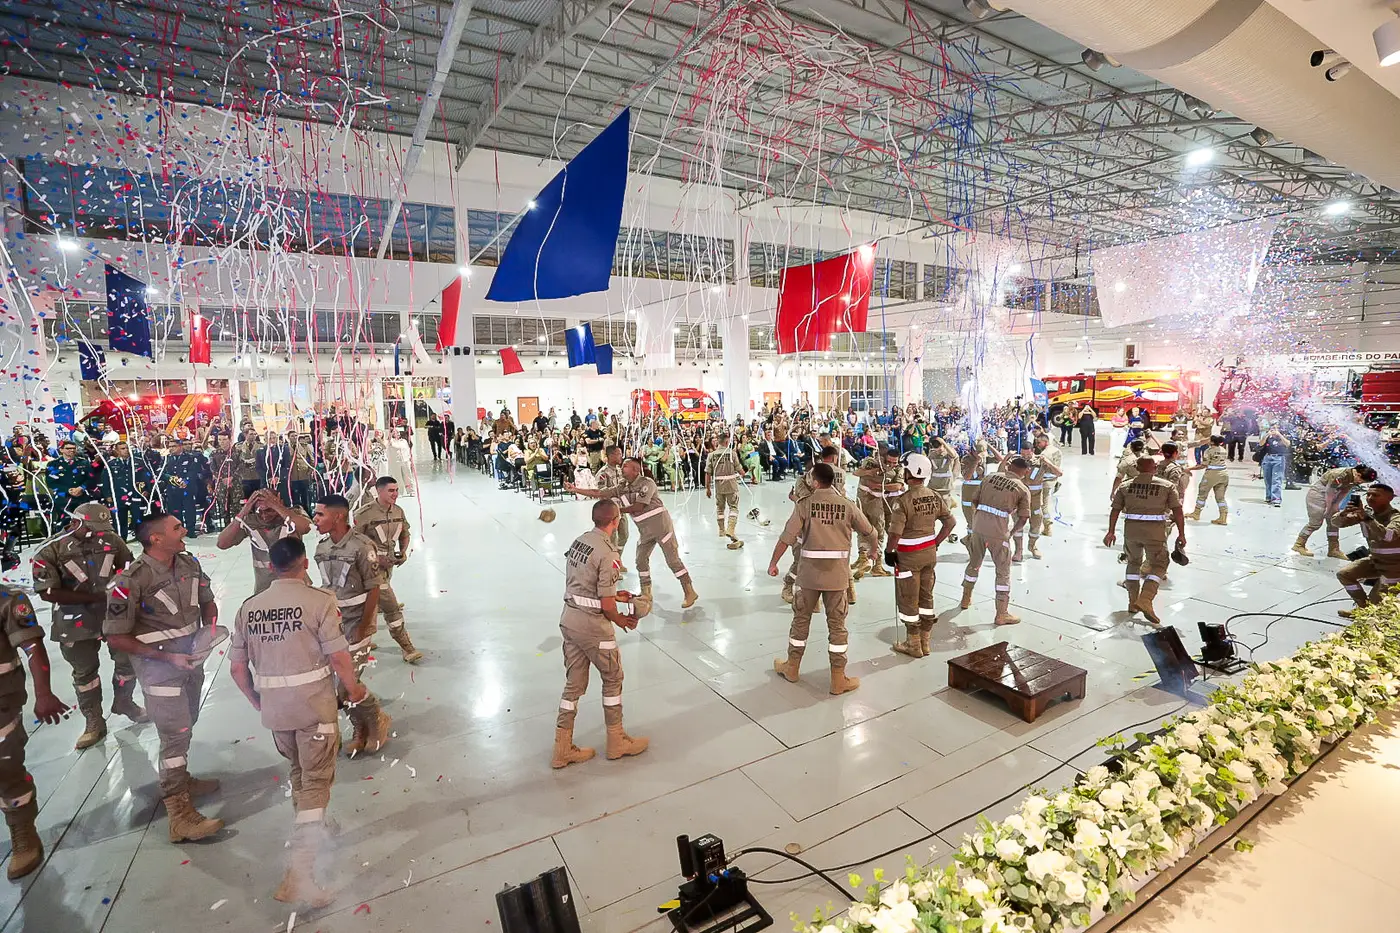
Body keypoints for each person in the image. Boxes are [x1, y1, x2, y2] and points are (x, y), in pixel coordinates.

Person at [228, 537, 369, 908]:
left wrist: (258, 701)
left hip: (276, 712)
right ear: (305, 564)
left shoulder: (249, 608)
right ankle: (299, 874)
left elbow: (238, 669)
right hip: (313, 709)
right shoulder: (319, 601)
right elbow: (338, 658)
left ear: (270, 567)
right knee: (317, 782)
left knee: (299, 773)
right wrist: (354, 689)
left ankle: (312, 825)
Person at [104, 514, 224, 843]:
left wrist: (209, 632)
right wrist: (167, 657)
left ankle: (181, 779)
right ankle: (179, 814)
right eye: (176, 528)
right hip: (159, 669)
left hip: (191, 662)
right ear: (156, 539)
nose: (184, 530)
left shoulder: (189, 563)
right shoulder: (130, 581)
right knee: (174, 735)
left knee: (187, 723)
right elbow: (116, 636)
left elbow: (208, 602)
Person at [31, 502, 144, 749]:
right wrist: (96, 597)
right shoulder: (50, 549)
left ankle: (124, 701)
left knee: (128, 661)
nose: (99, 532)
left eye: (102, 527)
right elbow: (47, 592)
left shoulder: (112, 539)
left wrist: (121, 587)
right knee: (85, 674)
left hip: (113, 615)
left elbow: (129, 567)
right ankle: (94, 721)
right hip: (74, 620)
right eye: (93, 527)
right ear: (75, 522)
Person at [553, 500, 650, 769]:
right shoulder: (609, 553)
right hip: (593, 627)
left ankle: (562, 748)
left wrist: (615, 595)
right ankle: (617, 740)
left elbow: (586, 583)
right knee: (613, 678)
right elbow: (606, 606)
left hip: (570, 619)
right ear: (616, 521)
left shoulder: (580, 541)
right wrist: (622, 620)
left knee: (573, 685)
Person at [767, 463, 876, 695]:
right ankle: (838, 679)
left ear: (815, 482)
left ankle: (792, 667)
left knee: (801, 620)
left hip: (808, 576)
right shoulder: (847, 505)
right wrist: (874, 551)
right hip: (837, 578)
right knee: (837, 627)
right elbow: (870, 531)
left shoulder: (804, 505)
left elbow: (787, 537)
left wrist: (773, 563)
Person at [312, 495, 393, 756]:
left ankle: (376, 720)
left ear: (338, 516)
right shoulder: (322, 547)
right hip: (333, 625)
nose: (315, 519)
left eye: (320, 514)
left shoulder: (361, 546)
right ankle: (361, 729)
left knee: (346, 684)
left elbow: (374, 588)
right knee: (343, 684)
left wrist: (364, 626)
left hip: (357, 622)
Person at [0, 584, 68, 879]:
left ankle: (23, 832)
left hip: (2, 700)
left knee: (5, 768)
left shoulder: (7, 600)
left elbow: (32, 646)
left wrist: (44, 694)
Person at [569, 460, 699, 608]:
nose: (622, 468)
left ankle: (689, 591)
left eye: (625, 466)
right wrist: (575, 489)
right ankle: (646, 593)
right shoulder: (622, 487)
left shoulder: (647, 483)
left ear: (636, 470)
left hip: (661, 527)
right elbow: (599, 493)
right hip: (645, 531)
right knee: (640, 560)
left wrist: (616, 510)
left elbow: (639, 506)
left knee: (673, 560)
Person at [885, 453, 955, 659]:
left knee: (908, 599)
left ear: (910, 472)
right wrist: (936, 542)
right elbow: (950, 523)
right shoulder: (934, 495)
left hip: (908, 558)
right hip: (929, 556)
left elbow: (895, 533)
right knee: (926, 597)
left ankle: (913, 644)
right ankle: (926, 642)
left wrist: (889, 552)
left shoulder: (903, 501)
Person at [1104, 457, 1186, 626]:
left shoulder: (1125, 486)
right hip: (1155, 532)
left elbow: (1115, 510)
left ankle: (1133, 602)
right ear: (1155, 468)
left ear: (1137, 467)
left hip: (1131, 531)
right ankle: (1146, 599)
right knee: (1160, 564)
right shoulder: (1166, 486)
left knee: (1133, 564)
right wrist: (1181, 534)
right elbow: (1178, 511)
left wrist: (1111, 531)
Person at [351, 477, 423, 663]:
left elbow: (405, 533)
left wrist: (403, 552)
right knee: (391, 607)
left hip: (388, 566)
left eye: (396, 490)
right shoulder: (365, 513)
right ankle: (407, 648)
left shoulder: (398, 511)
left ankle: (361, 640)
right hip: (370, 569)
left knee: (368, 605)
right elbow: (355, 543)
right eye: (391, 490)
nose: (395, 494)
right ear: (379, 491)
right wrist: (374, 559)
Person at [217, 487, 312, 594]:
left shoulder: (293, 514)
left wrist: (276, 506)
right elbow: (222, 543)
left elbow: (306, 528)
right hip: (265, 588)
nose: (264, 516)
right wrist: (243, 512)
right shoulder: (251, 520)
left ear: (280, 501)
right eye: (260, 511)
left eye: (269, 510)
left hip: (297, 585)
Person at [1333, 483, 1400, 617]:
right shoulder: (1367, 513)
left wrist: (1367, 519)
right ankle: (1362, 608)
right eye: (1368, 494)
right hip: (1376, 561)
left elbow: (1389, 536)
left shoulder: (1396, 517)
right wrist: (1344, 513)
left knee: (1376, 606)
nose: (1370, 498)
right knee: (1344, 574)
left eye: (1375, 495)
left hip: (1395, 567)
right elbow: (1336, 523)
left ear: (1390, 498)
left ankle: (1370, 612)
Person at [1293, 464, 1378, 558]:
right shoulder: (1339, 474)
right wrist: (1329, 507)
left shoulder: (1353, 478)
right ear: (1358, 474)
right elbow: (1329, 492)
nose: (1360, 483)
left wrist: (1336, 505)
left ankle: (1333, 549)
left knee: (1333, 522)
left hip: (1332, 496)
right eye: (1361, 480)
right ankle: (1299, 544)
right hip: (1318, 495)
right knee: (1315, 523)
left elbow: (1345, 491)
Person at [852, 445, 905, 578]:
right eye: (889, 461)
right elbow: (857, 472)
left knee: (877, 531)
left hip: (882, 503)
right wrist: (871, 472)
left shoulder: (898, 469)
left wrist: (879, 486)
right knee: (866, 530)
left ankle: (873, 562)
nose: (891, 465)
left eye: (894, 462)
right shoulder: (871, 462)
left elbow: (898, 486)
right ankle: (867, 560)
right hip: (865, 501)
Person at [705, 433, 745, 549]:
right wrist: (743, 473)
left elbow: (707, 473)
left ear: (718, 442)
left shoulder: (711, 455)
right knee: (733, 507)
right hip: (731, 485)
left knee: (720, 508)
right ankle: (730, 529)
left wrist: (708, 488)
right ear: (727, 442)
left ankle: (721, 530)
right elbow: (740, 469)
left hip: (718, 486)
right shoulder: (732, 454)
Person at [595, 447, 630, 572]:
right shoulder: (603, 473)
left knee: (624, 535)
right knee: (612, 540)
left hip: (621, 509)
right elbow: (601, 493)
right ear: (610, 456)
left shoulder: (620, 471)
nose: (621, 456)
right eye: (618, 454)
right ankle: (612, 567)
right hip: (609, 512)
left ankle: (617, 561)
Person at [46, 439, 95, 526]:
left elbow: (91, 479)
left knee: (84, 523)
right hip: (63, 499)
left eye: (73, 448)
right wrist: (68, 490)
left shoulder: (83, 462)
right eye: (68, 448)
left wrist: (81, 488)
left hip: (82, 498)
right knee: (64, 524)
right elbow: (51, 483)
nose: (71, 450)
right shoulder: (53, 464)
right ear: (61, 450)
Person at [1187, 435, 1231, 525]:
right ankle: (1223, 517)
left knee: (1202, 494)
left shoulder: (1208, 451)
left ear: (1211, 442)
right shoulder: (1223, 450)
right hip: (1224, 474)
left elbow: (1203, 465)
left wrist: (1189, 469)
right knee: (1220, 497)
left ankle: (1196, 513)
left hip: (1211, 475)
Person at [1258, 426, 1291, 506]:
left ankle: (1276, 498)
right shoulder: (1268, 437)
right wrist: (1266, 435)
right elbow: (1261, 443)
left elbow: (1288, 444)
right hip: (1267, 458)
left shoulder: (1283, 436)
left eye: (1276, 428)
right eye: (1272, 428)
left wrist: (1279, 434)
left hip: (1279, 458)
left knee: (1276, 479)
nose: (1274, 430)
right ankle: (1269, 496)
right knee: (1267, 478)